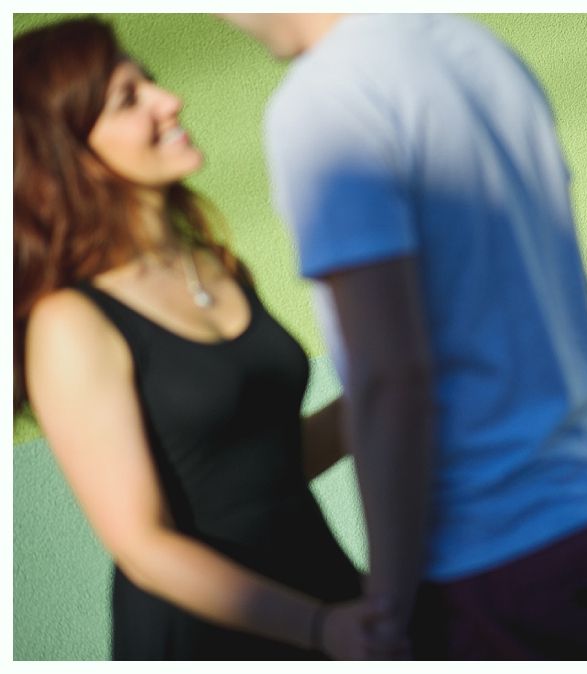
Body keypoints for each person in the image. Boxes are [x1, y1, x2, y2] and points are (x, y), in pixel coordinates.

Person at [220, 13, 587, 659]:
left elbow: (391, 376)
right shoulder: (475, 48)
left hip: (498, 561)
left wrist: (388, 605)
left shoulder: (322, 100)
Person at [13, 17, 385, 660]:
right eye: (131, 99)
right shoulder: (69, 322)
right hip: (211, 636)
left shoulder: (218, 269)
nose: (170, 101)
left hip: (323, 596)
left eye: (151, 83)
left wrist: (387, 396)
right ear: (67, 153)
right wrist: (318, 628)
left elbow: (259, 470)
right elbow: (144, 548)